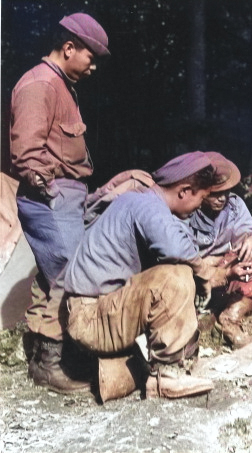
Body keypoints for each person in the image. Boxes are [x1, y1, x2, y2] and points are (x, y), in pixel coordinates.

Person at [63, 152, 218, 401]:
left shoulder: (144, 203)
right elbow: (177, 249)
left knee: (176, 273)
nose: (200, 206)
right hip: (90, 317)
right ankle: (166, 378)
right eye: (200, 198)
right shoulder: (146, 205)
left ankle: (150, 368)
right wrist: (205, 274)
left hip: (99, 311)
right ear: (185, 191)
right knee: (175, 276)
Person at [9, 13, 110, 393]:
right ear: (69, 48)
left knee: (57, 276)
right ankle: (49, 366)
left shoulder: (61, 85)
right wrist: (50, 194)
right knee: (68, 278)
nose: (93, 65)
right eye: (90, 55)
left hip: (66, 195)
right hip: (50, 197)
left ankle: (57, 354)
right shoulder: (39, 85)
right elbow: (27, 154)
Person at [188, 153, 252, 349]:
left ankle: (230, 319)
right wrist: (208, 263)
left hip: (225, 268)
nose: (222, 198)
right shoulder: (187, 209)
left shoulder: (234, 205)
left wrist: (251, 239)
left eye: (226, 191)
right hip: (194, 273)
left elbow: (248, 231)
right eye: (215, 193)